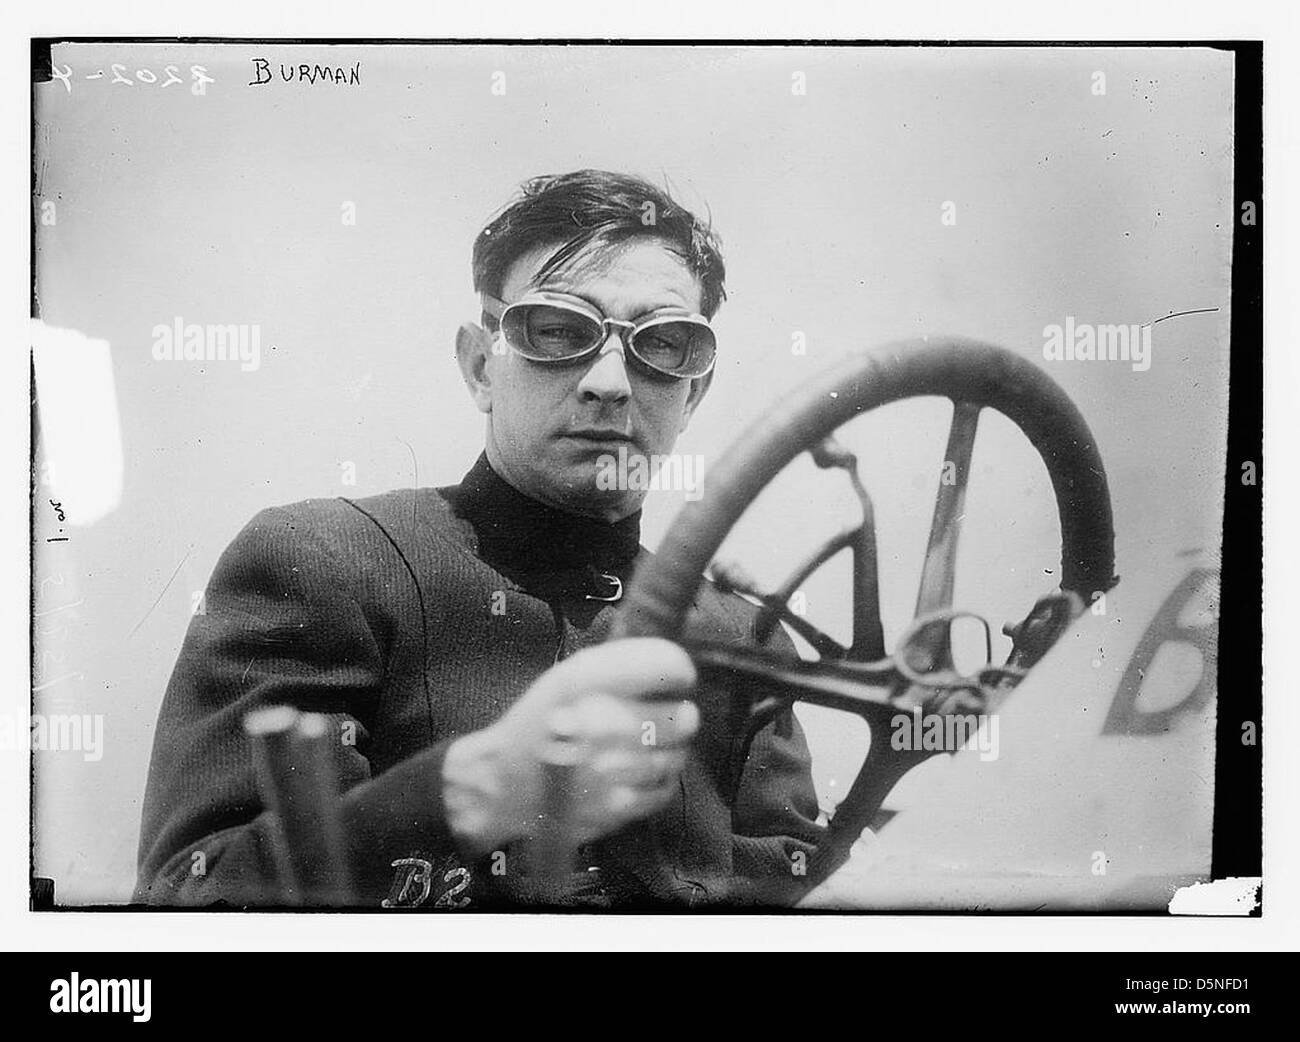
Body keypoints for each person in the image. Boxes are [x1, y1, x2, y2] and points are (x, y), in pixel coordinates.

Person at [134, 169, 826, 909]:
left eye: (664, 344)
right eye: (558, 330)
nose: (610, 382)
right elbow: (185, 896)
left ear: (695, 391)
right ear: (479, 365)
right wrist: (473, 791)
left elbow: (787, 891)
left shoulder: (744, 641)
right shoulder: (323, 560)